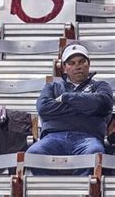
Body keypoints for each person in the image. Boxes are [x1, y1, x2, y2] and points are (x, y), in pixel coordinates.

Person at [27, 42, 113, 175]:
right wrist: (87, 108)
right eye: (71, 63)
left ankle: (82, 192)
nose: (77, 66)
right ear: (64, 68)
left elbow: (104, 104)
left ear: (88, 64)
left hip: (88, 137)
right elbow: (43, 108)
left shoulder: (101, 86)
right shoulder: (52, 87)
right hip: (53, 137)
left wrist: (66, 98)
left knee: (95, 154)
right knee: (34, 154)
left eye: (81, 61)